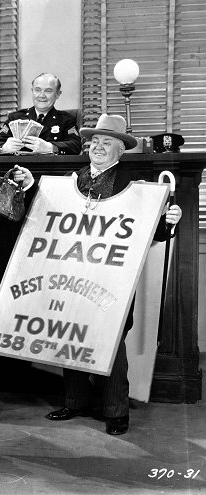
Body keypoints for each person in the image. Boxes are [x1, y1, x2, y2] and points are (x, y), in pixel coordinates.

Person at [20, 114, 182, 436]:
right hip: (72, 275)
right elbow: (44, 216)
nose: (98, 147)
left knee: (111, 341)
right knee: (71, 333)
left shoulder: (134, 188)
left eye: (106, 143)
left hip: (112, 282)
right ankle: (75, 400)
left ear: (120, 150)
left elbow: (153, 234)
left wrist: (169, 222)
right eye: (94, 141)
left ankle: (116, 411)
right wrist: (28, 187)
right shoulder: (71, 179)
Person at [0, 73, 82, 155]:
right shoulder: (15, 118)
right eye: (37, 90)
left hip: (50, 170)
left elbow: (76, 146)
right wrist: (5, 148)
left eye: (48, 91)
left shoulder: (66, 120)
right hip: (19, 170)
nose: (42, 95)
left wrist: (49, 147)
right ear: (32, 91)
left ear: (58, 94)